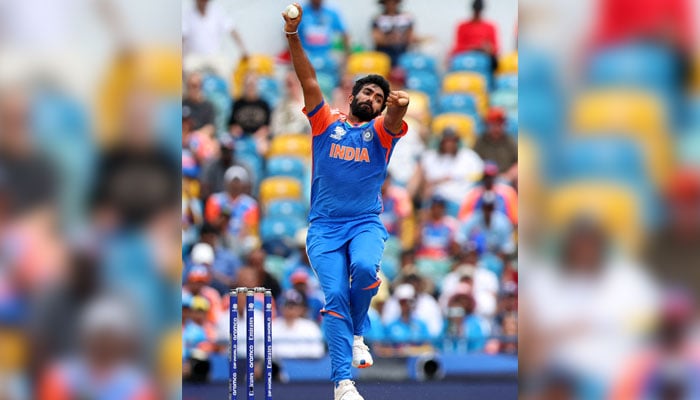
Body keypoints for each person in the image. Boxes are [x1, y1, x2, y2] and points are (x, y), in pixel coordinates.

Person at [283, 5, 410, 399]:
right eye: (367, 92)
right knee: (335, 295)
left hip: (364, 224)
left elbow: (396, 114)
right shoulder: (326, 123)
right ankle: (343, 384)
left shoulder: (382, 133)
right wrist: (291, 35)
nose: (372, 98)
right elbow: (308, 78)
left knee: (365, 269)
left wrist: (399, 104)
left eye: (378, 96)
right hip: (323, 228)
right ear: (352, 95)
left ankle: (358, 334)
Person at [415, 127, 484, 207]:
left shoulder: (469, 156)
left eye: (452, 141)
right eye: (446, 141)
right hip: (436, 199)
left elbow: (481, 175)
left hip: (461, 199)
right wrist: (439, 181)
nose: (449, 144)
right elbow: (424, 181)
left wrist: (455, 177)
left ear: (457, 141)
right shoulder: (430, 156)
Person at [458, 160, 518, 224]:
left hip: (502, 231)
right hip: (479, 230)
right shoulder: (473, 194)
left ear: (496, 176)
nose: (489, 179)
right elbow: (463, 219)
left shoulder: (507, 193)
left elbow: (515, 219)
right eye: (486, 176)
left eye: (491, 176)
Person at [182, 0, 248, 58]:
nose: (204, 2)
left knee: (226, 69)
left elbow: (232, 30)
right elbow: (182, 39)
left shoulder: (217, 11)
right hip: (194, 58)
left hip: (214, 57)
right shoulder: (187, 15)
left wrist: (244, 50)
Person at [272, 289, 326, 358]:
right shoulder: (272, 326)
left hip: (304, 366)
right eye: (286, 305)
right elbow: (263, 352)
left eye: (293, 306)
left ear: (301, 308)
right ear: (280, 307)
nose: (290, 309)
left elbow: (318, 352)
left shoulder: (310, 327)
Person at [449, 0, 499, 64]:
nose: (477, 13)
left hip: (484, 56)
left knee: (495, 61)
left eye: (478, 10)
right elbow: (457, 47)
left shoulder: (490, 27)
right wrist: (472, 48)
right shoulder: (462, 26)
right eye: (476, 10)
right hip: (465, 56)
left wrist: (487, 49)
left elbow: (495, 48)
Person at [473, 108, 517, 174]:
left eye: (499, 124)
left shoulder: (510, 140)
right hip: (485, 178)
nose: (496, 128)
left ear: (504, 125)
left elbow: (518, 163)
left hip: (506, 177)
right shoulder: (481, 141)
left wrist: (508, 176)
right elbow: (472, 160)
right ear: (487, 125)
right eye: (493, 124)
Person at [372, 0, 416, 67]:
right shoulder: (378, 19)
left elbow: (411, 37)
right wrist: (391, 39)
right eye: (388, 2)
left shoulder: (406, 18)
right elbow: (377, 39)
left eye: (393, 2)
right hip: (384, 54)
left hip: (403, 53)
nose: (391, 4)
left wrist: (400, 38)